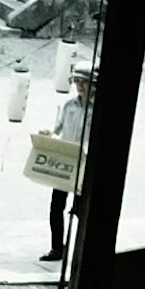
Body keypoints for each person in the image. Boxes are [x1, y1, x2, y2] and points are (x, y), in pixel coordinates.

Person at [44, 67, 95, 261]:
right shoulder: (69, 106)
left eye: (85, 82)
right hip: (66, 160)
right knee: (56, 206)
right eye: (77, 82)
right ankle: (57, 247)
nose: (80, 86)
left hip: (85, 162)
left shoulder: (97, 108)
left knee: (81, 208)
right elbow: (58, 128)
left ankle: (83, 249)